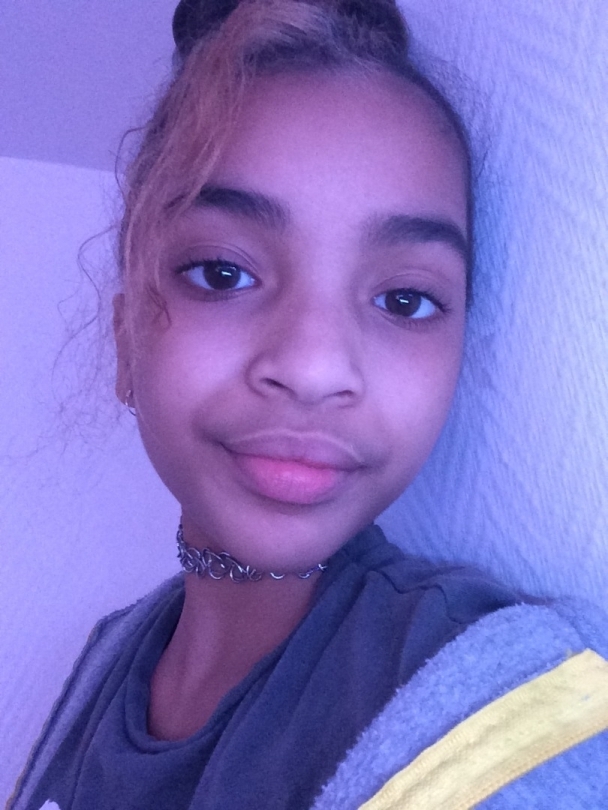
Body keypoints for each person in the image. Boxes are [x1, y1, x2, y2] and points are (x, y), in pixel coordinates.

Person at [9, 1, 608, 808]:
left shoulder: (501, 698)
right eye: (223, 273)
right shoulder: (106, 654)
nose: (315, 368)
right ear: (125, 343)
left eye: (404, 299)